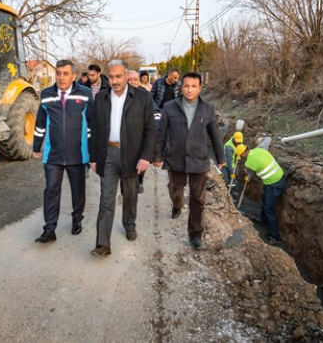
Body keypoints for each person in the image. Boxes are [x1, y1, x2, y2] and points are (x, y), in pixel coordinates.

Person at [89, 60, 156, 257]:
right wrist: (93, 158)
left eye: (119, 76)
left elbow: (151, 130)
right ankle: (103, 244)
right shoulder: (101, 98)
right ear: (107, 77)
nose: (115, 81)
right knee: (106, 200)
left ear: (126, 76)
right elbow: (94, 129)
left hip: (132, 155)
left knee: (130, 195)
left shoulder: (142, 97)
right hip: (108, 154)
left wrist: (145, 157)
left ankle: (129, 225)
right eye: (111, 77)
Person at [153, 72, 225, 250]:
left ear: (200, 88)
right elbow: (161, 133)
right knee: (175, 189)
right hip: (175, 157)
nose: (190, 89)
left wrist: (221, 157)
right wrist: (157, 155)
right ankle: (177, 205)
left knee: (198, 198)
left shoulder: (208, 108)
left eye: (194, 86)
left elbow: (215, 134)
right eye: (186, 86)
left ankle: (195, 234)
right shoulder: (170, 107)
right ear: (181, 87)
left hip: (199, 159)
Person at [32, 60, 93, 243]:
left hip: (78, 154)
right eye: (58, 73)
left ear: (74, 76)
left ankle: (77, 219)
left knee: (78, 191)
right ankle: (49, 229)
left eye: (65, 73)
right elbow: (40, 123)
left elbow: (91, 125)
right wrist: (36, 145)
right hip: (53, 155)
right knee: (51, 191)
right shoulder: (46, 94)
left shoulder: (86, 94)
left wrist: (92, 151)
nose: (61, 77)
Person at [236, 144, 286, 245]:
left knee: (269, 209)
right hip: (279, 177)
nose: (242, 158)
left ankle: (274, 236)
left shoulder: (249, 162)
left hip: (273, 184)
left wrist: (248, 178)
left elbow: (250, 175)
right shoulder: (259, 150)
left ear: (244, 153)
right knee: (265, 200)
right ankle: (263, 220)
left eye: (241, 156)